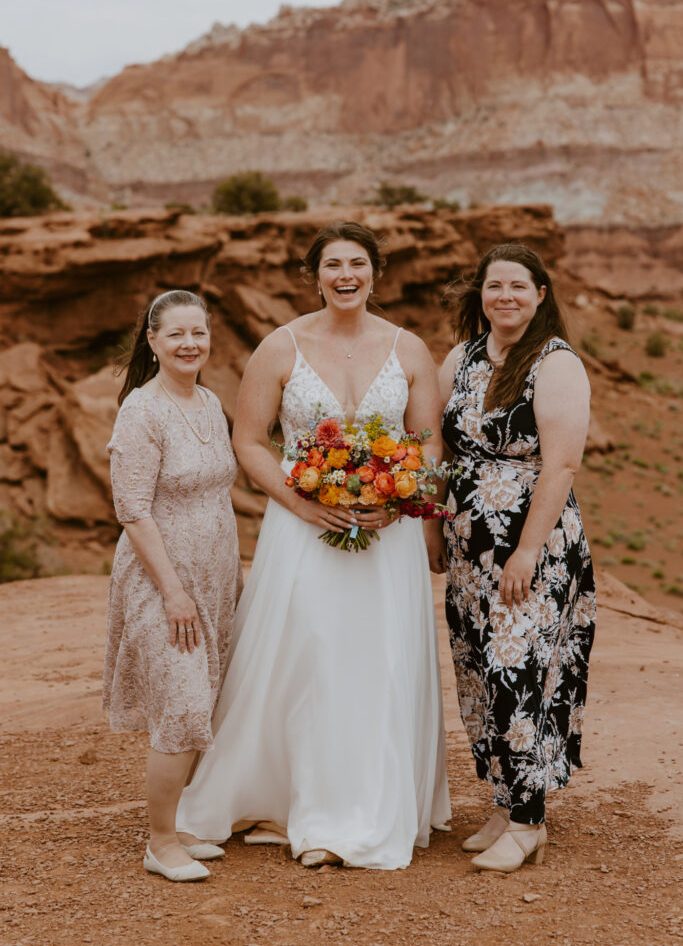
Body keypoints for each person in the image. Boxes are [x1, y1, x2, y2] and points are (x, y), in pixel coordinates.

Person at [176, 221, 451, 869]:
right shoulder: (280, 347)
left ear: (374, 273)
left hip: (389, 535)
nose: (345, 275)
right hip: (302, 530)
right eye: (332, 265)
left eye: (357, 263)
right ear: (315, 275)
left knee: (378, 660)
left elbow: (430, 441)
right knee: (307, 653)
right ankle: (289, 799)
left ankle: (357, 811)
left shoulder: (408, 350)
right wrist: (302, 503)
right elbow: (247, 439)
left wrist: (400, 493)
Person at [437, 243, 596, 873]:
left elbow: (560, 464)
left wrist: (526, 550)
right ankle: (506, 801)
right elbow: (447, 450)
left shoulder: (556, 363)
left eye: (517, 286)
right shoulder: (463, 357)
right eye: (493, 285)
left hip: (532, 547)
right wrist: (435, 521)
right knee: (480, 671)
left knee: (520, 671)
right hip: (468, 547)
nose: (504, 296)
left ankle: (530, 821)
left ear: (540, 294)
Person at [103, 289, 243, 882]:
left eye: (199, 333)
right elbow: (132, 509)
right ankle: (161, 842)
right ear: (153, 342)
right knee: (183, 707)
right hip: (163, 580)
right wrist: (173, 590)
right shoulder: (141, 411)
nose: (190, 344)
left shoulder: (209, 400)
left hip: (215, 573)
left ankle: (179, 823)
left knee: (205, 697)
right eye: (176, 335)